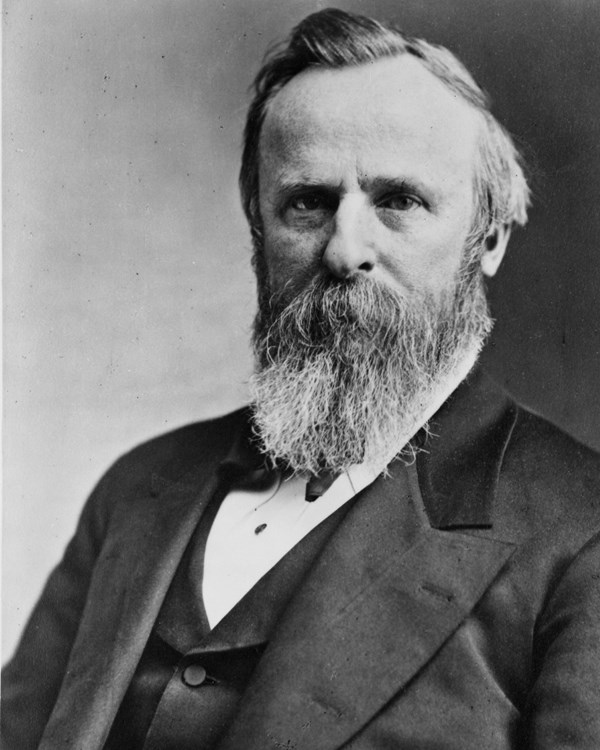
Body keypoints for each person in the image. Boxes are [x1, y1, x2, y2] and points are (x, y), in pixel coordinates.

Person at [2, 7, 600, 750]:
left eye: (399, 201)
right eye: (308, 202)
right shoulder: (142, 484)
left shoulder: (582, 533)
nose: (346, 250)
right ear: (259, 228)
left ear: (489, 239)